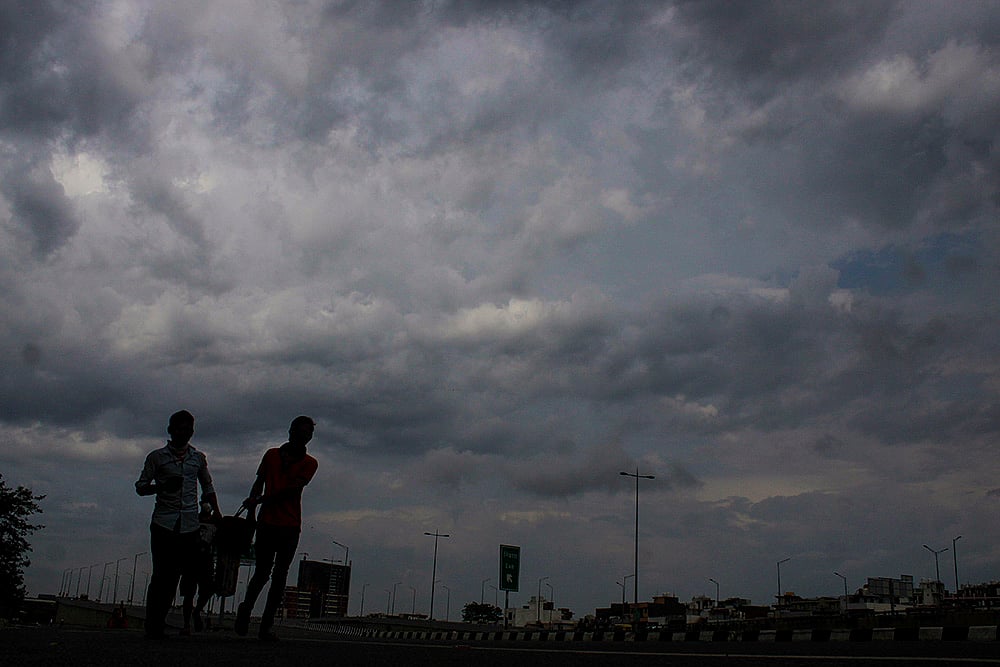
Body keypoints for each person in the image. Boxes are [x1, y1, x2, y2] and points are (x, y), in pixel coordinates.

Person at [135, 410, 222, 639]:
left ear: (192, 432)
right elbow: (141, 487)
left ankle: (160, 621)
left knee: (182, 576)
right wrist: (162, 487)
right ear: (171, 430)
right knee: (162, 575)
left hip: (189, 525)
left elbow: (208, 486)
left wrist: (218, 514)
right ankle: (154, 622)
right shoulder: (157, 457)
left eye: (188, 429)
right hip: (164, 523)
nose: (183, 433)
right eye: (179, 428)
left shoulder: (198, 458)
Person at [235, 416, 318, 641]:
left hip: (289, 526)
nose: (304, 437)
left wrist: (258, 501)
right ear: (291, 432)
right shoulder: (271, 455)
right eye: (302, 432)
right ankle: (247, 609)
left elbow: (291, 490)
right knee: (263, 573)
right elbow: (258, 482)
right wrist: (252, 513)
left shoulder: (310, 463)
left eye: (308, 434)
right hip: (268, 523)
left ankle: (265, 625)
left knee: (279, 576)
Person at [179, 501, 218, 635]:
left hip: (206, 562)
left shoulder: (215, 523)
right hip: (191, 561)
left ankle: (196, 612)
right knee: (189, 594)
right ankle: (186, 625)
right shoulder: (192, 522)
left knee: (207, 591)